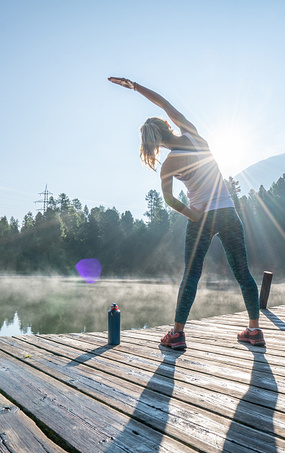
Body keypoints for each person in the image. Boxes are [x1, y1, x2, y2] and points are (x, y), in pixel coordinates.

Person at [109, 77, 264, 349]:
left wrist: (194, 216)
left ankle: (177, 334)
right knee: (243, 272)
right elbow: (165, 103)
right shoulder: (193, 136)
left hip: (200, 218)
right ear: (168, 125)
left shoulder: (168, 165)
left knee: (191, 276)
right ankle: (254, 330)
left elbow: (168, 198)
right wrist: (135, 87)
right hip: (227, 210)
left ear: (155, 141)